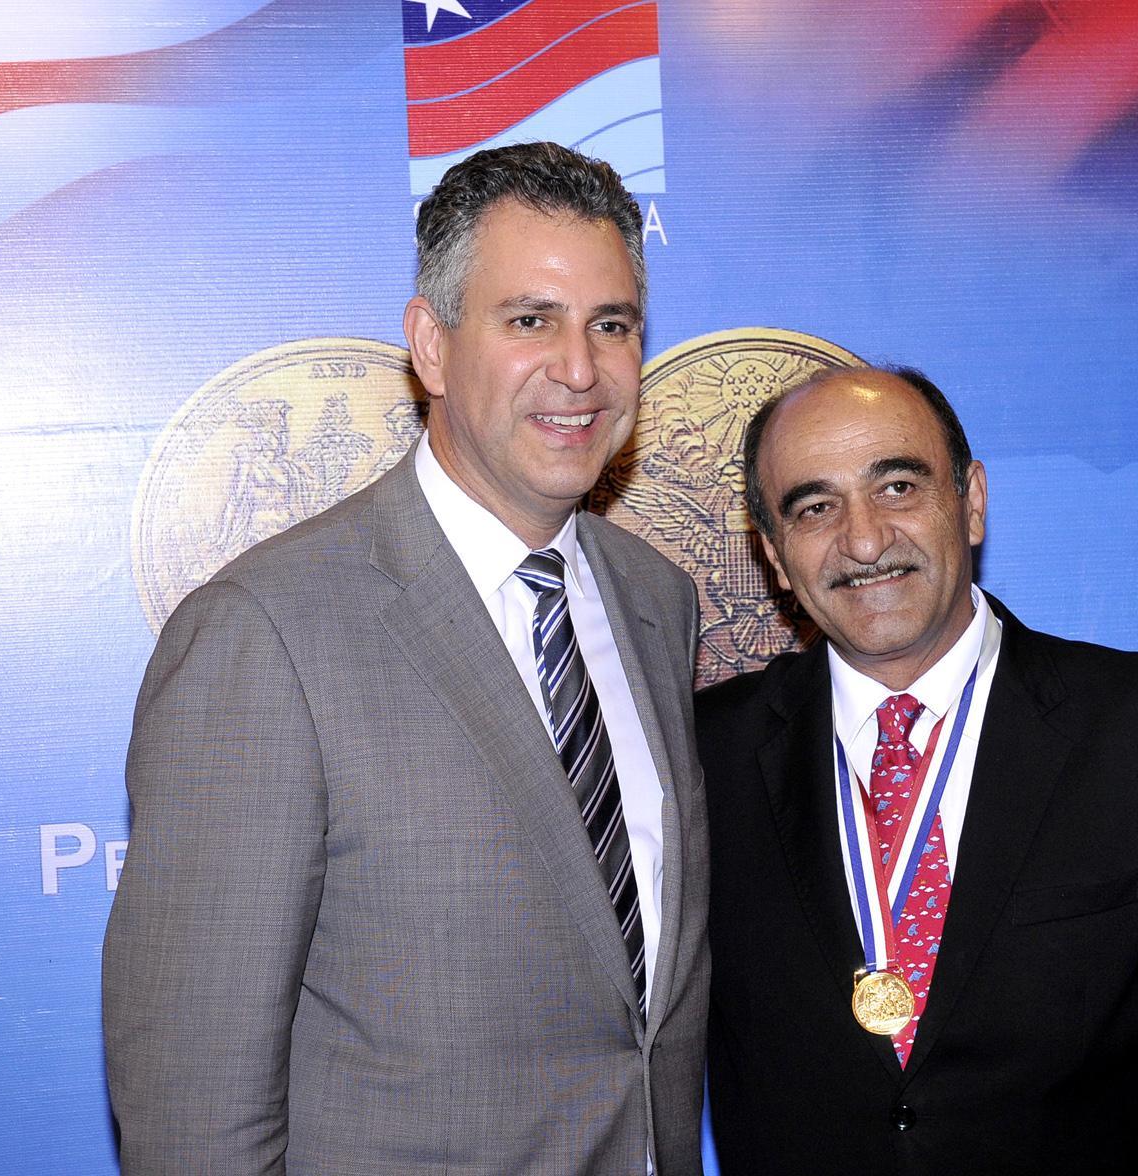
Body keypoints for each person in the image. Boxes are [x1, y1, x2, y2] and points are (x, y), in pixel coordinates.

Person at [103, 142, 708, 1175]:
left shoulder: (657, 601)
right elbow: (193, 1114)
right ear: (430, 345)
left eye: (612, 324)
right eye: (531, 321)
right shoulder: (264, 635)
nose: (580, 369)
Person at [697, 365, 1138, 1174]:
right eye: (815, 508)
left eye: (897, 486)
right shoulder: (702, 756)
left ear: (970, 502)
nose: (864, 540)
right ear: (772, 552)